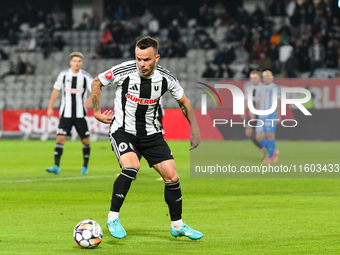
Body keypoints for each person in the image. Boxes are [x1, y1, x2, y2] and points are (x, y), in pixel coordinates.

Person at [91, 36, 203, 240]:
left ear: (156, 58)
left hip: (151, 134)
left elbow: (184, 101)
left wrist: (194, 129)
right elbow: (97, 82)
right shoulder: (123, 71)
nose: (141, 64)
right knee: (132, 166)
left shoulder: (166, 78)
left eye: (146, 60)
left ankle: (177, 225)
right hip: (122, 130)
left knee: (172, 177)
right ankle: (112, 218)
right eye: (138, 59)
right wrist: (96, 111)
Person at [46, 52, 93, 175]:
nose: (76, 63)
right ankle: (56, 166)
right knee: (60, 139)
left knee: (85, 141)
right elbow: (56, 90)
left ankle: (85, 167)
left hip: (80, 114)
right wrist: (50, 107)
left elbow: (96, 89)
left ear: (81, 63)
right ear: (70, 62)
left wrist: (89, 99)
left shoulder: (86, 76)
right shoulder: (63, 75)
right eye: (74, 61)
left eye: (79, 61)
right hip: (66, 113)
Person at [255, 70, 280, 164]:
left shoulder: (275, 88)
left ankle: (269, 157)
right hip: (261, 115)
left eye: (268, 76)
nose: (266, 78)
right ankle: (273, 151)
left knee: (270, 136)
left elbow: (277, 101)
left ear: (272, 77)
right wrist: (254, 114)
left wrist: (278, 114)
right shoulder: (260, 88)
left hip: (271, 115)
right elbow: (258, 102)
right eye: (264, 76)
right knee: (258, 137)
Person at [241, 70, 266, 159]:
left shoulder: (263, 88)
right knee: (248, 133)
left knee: (260, 136)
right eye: (252, 78)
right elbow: (247, 101)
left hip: (261, 114)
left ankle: (271, 150)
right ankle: (263, 148)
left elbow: (260, 102)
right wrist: (243, 111)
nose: (254, 80)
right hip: (252, 114)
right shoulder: (249, 89)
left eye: (255, 78)